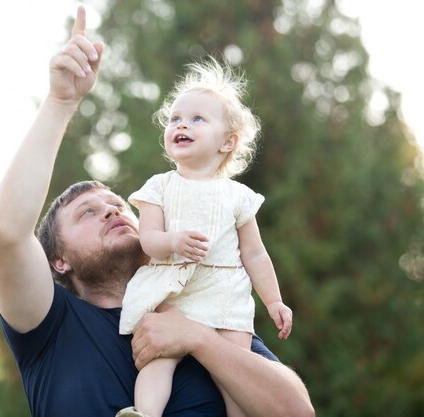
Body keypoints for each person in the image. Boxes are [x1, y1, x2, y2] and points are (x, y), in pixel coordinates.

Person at [0, 5, 314, 417]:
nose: (111, 211)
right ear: (59, 260)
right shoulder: (50, 325)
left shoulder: (201, 308)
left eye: (118, 205)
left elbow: (297, 413)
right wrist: (60, 101)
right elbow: (6, 232)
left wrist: (198, 339)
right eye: (87, 213)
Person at [116, 59, 292, 417]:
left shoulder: (239, 196)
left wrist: (273, 300)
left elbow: (254, 254)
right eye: (175, 118)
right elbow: (147, 239)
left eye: (197, 118)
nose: (181, 123)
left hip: (225, 294)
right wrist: (172, 242)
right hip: (173, 290)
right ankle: (145, 413)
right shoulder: (160, 186)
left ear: (228, 142)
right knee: (157, 360)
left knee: (235, 369)